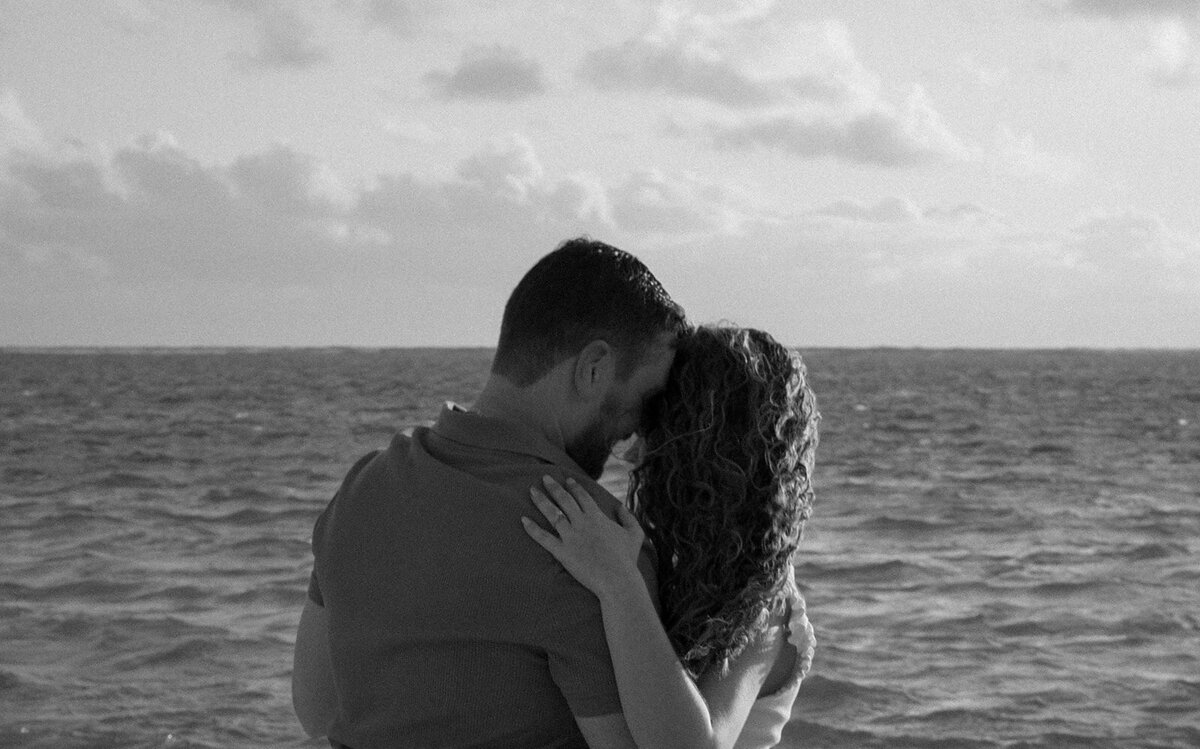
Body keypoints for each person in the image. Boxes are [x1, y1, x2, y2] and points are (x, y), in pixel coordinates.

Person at [291, 237, 688, 748]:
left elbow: (316, 709)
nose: (637, 431)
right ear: (594, 368)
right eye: (646, 399)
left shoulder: (362, 487)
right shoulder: (589, 540)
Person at [523, 325, 819, 749]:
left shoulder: (765, 598)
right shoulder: (669, 560)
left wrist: (618, 583)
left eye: (657, 431)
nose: (630, 454)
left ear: (710, 450)